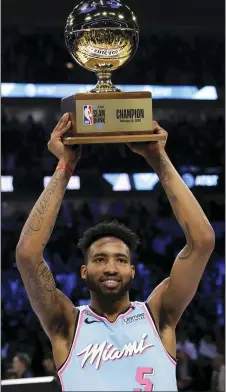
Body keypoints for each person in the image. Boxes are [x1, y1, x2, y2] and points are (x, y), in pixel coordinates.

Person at [16, 113, 215, 391]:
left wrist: (158, 159)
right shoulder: (67, 325)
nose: (111, 268)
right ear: (84, 271)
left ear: (131, 271)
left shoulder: (158, 316)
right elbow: (27, 254)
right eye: (100, 259)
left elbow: (202, 241)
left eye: (121, 260)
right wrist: (65, 166)